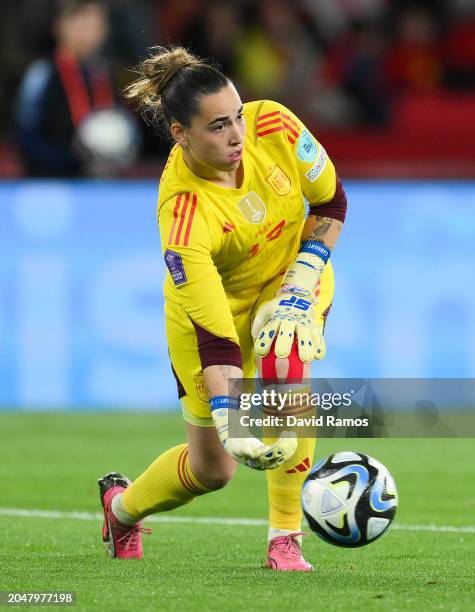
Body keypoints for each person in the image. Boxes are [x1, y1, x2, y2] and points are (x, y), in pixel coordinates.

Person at [98, 46, 347, 571]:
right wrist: (233, 424)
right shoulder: (184, 214)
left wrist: (303, 278)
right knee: (214, 470)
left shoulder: (275, 125)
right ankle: (121, 510)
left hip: (289, 275)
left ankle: (285, 540)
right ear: (180, 134)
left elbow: (330, 204)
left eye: (237, 115)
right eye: (218, 126)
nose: (237, 135)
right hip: (213, 322)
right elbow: (217, 342)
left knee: (287, 357)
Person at [15, 0, 116, 177]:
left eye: (92, 23)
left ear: (104, 30)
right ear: (59, 27)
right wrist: (75, 158)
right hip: (50, 187)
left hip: (102, 187)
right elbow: (25, 140)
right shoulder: (42, 74)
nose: (84, 31)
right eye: (77, 21)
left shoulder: (105, 75)